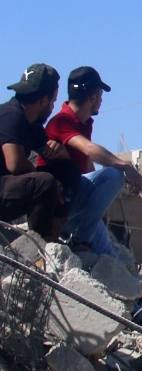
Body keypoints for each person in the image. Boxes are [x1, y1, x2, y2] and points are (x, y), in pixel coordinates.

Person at [39, 67, 142, 260]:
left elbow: (87, 165)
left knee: (108, 258)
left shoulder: (84, 122)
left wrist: (100, 208)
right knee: (114, 175)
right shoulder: (62, 121)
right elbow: (89, 149)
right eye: (100, 95)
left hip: (74, 200)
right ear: (94, 96)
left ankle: (85, 243)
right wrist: (125, 167)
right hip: (59, 204)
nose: (101, 100)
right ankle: (80, 240)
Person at [0, 64, 69, 240]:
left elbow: (49, 151)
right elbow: (15, 163)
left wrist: (60, 151)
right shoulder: (10, 115)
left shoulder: (32, 124)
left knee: (67, 173)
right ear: (43, 101)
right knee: (44, 182)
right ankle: (39, 247)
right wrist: (49, 183)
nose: (54, 106)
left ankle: (57, 237)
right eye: (53, 101)